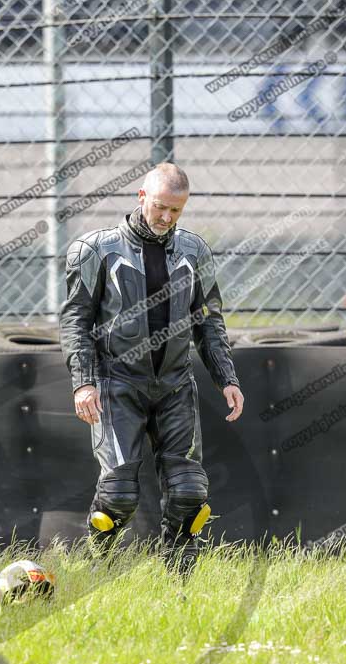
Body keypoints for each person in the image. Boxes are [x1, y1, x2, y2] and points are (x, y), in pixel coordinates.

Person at [58, 162, 244, 578]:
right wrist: (83, 383)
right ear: (141, 197)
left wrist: (226, 378)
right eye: (160, 207)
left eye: (176, 211)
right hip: (116, 383)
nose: (166, 218)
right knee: (119, 494)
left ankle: (178, 577)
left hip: (176, 384)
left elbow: (209, 320)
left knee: (189, 492)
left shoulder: (195, 251)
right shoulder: (96, 250)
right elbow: (76, 322)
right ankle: (96, 567)